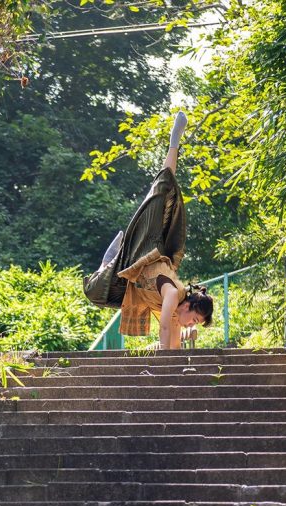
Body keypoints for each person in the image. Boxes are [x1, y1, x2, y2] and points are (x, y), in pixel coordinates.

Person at [84, 112, 214, 349]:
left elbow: (173, 345)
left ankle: (108, 263)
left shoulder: (175, 310)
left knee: (95, 293)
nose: (190, 325)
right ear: (188, 306)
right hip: (145, 249)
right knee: (162, 190)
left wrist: (174, 365)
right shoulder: (173, 295)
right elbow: (163, 329)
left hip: (132, 283)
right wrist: (164, 363)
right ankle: (175, 140)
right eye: (194, 319)